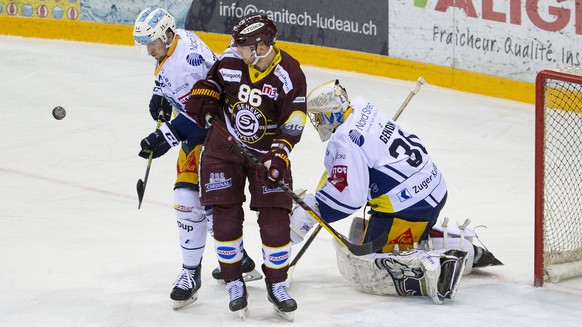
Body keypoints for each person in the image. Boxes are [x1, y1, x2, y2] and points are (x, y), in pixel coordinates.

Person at [289, 80, 501, 304]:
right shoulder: (362, 109)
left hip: (411, 206)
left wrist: (314, 210)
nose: (317, 121)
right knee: (364, 238)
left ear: (331, 114)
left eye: (319, 116)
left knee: (374, 264)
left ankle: (444, 263)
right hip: (429, 189)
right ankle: (451, 244)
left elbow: (350, 197)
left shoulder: (345, 141)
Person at [132, 6, 259, 310]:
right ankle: (226, 263)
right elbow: (180, 90)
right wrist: (161, 95)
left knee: (203, 204)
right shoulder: (178, 44)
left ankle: (200, 272)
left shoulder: (184, 62)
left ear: (165, 35)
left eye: (152, 43)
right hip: (199, 136)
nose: (149, 50)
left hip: (216, 137)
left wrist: (165, 136)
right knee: (189, 201)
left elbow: (204, 112)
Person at [184, 13, 307, 320]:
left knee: (276, 220)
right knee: (224, 218)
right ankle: (235, 282)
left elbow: (294, 122)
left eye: (242, 46)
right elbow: (212, 82)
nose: (235, 50)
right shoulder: (230, 61)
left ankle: (277, 285)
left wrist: (279, 155)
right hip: (222, 150)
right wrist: (206, 95)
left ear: (261, 47)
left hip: (265, 156)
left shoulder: (289, 74)